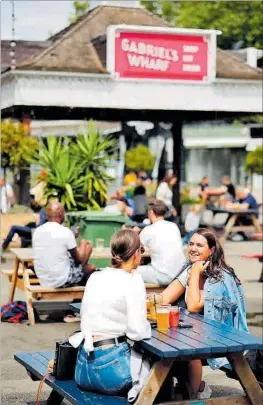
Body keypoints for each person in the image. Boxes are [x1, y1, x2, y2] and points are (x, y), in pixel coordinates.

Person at [161, 228, 248, 399]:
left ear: (212, 250)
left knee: (188, 348)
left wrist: (194, 273)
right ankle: (186, 390)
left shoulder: (219, 277)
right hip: (196, 332)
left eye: (199, 245)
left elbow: (193, 305)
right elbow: (164, 298)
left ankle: (193, 396)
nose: (193, 248)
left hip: (222, 335)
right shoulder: (190, 268)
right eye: (191, 244)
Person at [67, 230, 151, 396]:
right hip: (113, 371)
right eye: (141, 250)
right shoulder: (133, 279)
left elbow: (85, 317)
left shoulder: (95, 276)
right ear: (135, 254)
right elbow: (137, 331)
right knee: (161, 371)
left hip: (83, 368)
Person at [33, 201, 95, 288]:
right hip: (60, 281)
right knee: (91, 267)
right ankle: (79, 297)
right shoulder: (65, 231)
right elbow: (79, 260)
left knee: (86, 253)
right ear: (61, 214)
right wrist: (83, 243)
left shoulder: (37, 231)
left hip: (43, 279)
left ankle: (78, 296)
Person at [137, 200, 185, 285]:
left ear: (151, 212)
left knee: (129, 270)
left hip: (164, 275)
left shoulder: (148, 230)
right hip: (180, 274)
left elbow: (134, 248)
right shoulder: (173, 226)